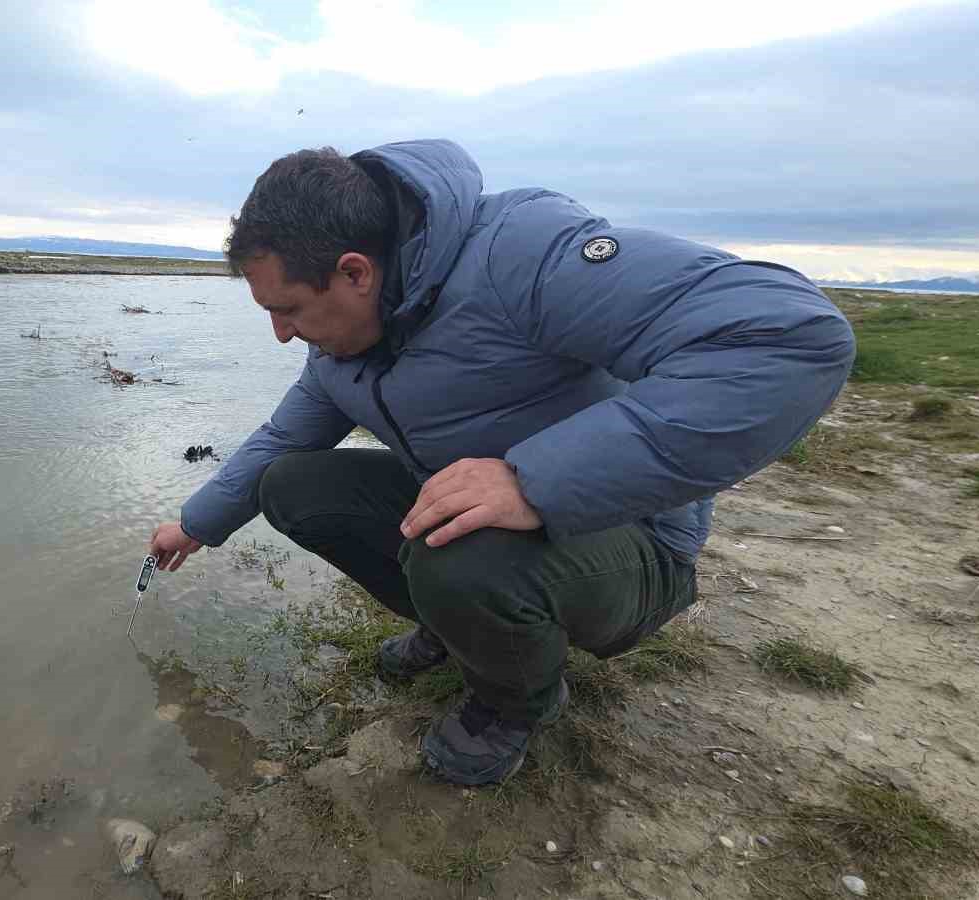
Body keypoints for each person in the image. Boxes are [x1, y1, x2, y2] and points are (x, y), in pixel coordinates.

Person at [148, 139, 855, 785]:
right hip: (497, 534)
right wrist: (195, 524)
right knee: (293, 485)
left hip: (636, 543)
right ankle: (461, 629)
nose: (281, 334)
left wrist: (535, 480)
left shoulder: (521, 255)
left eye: (289, 309)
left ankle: (515, 704)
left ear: (355, 272)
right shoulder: (339, 346)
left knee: (460, 555)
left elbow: (788, 336)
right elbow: (282, 439)